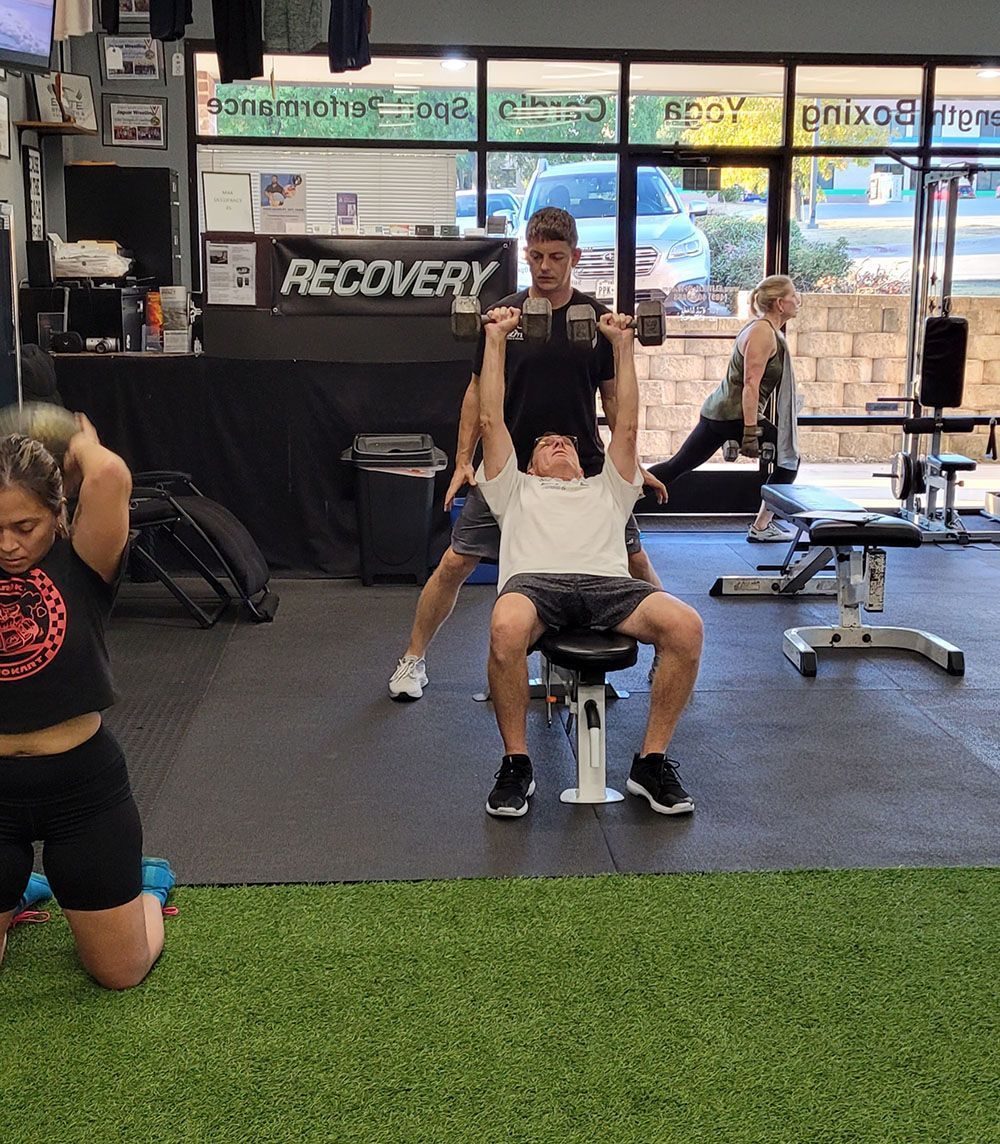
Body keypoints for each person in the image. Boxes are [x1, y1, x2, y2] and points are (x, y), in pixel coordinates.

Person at [388, 206, 669, 700]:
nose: (544, 266)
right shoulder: (506, 318)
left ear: (575, 256)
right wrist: (461, 461)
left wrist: (635, 463)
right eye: (536, 255)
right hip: (508, 467)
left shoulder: (596, 321)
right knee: (455, 562)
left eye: (556, 257)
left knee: (634, 560)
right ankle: (413, 658)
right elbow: (476, 395)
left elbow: (614, 399)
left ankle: (666, 653)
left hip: (581, 467)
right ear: (526, 254)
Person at [475, 304, 703, 818]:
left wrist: (622, 345)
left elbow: (627, 426)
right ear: (529, 463)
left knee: (686, 626)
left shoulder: (609, 489)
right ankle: (516, 764)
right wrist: (494, 339)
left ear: (583, 460)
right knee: (505, 625)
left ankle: (651, 762)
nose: (559, 445)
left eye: (567, 444)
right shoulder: (513, 489)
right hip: (535, 587)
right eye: (546, 445)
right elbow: (491, 419)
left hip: (609, 589)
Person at [0, 416, 175, 989]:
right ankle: (22, 887)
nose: (8, 544)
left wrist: (80, 444)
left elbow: (112, 477)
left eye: (25, 526)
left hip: (82, 788)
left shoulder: (86, 559)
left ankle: (146, 888)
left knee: (120, 973)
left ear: (57, 514)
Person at [647, 274, 802, 542]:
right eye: (794, 295)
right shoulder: (763, 333)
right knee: (788, 460)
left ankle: (617, 508)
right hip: (735, 416)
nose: (798, 300)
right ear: (779, 303)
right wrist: (750, 432)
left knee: (676, 466)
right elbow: (750, 385)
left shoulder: (763, 329)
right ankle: (761, 526)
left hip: (718, 413)